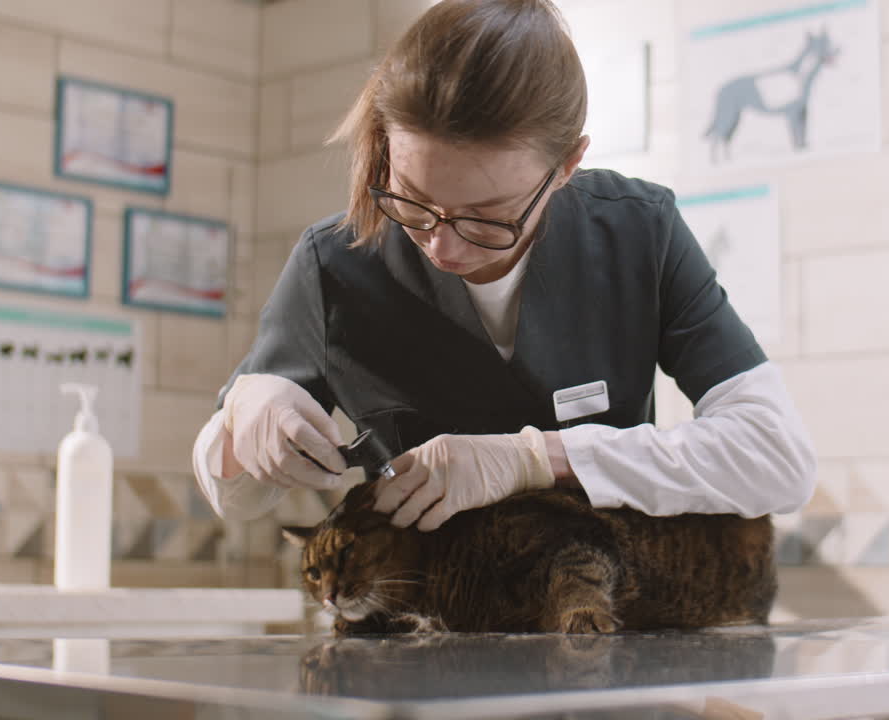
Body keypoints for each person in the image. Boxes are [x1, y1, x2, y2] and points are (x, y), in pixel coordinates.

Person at [192, 0, 816, 531]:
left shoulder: (638, 233)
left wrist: (537, 458)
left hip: (593, 630)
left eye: (486, 218)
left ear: (567, 165)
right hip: (414, 644)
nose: (441, 247)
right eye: (412, 199)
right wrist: (246, 417)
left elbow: (777, 458)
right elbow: (234, 497)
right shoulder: (336, 262)